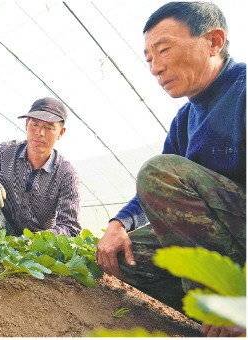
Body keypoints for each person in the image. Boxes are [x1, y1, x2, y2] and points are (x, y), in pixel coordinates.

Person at [95, 2, 245, 337]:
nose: (155, 68)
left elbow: (161, 177)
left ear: (214, 41)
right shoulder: (186, 119)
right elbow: (155, 194)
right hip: (228, 243)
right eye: (148, 58)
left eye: (163, 50)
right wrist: (118, 224)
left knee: (159, 172)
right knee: (126, 257)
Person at [0, 97, 81, 237]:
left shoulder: (66, 174)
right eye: (35, 125)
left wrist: (33, 239)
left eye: (49, 127)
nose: (40, 133)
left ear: (61, 132)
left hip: (35, 244)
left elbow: (70, 227)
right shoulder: (6, 152)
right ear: (26, 124)